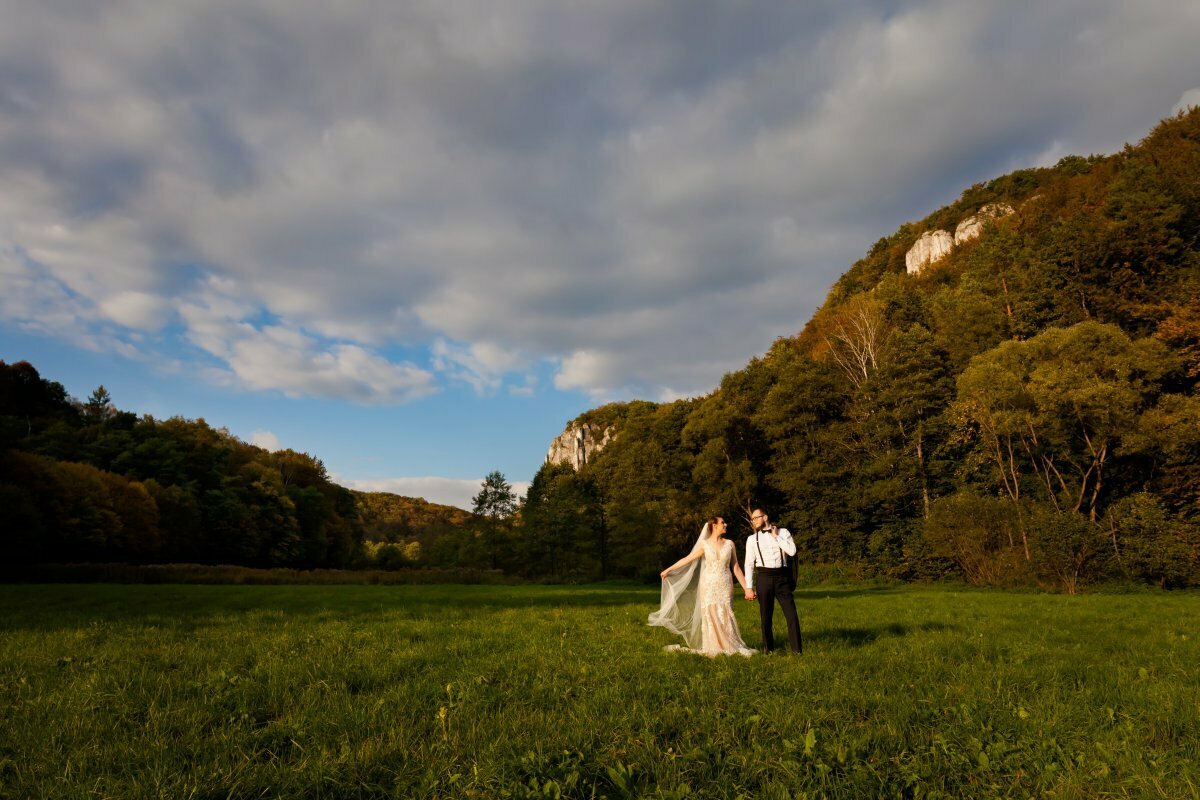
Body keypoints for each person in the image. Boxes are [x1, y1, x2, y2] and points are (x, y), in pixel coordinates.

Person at [648, 517, 755, 657]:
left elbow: (736, 568)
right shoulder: (705, 545)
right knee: (710, 613)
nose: (725, 524)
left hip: (724, 583)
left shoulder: (730, 544)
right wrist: (669, 570)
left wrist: (747, 588)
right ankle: (714, 646)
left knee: (725, 612)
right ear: (714, 526)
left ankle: (729, 644)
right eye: (722, 522)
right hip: (708, 584)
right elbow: (687, 559)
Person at [744, 508, 802, 654]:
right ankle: (768, 650)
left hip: (782, 578)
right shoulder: (752, 539)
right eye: (752, 519)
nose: (754, 521)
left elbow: (792, 551)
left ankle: (797, 650)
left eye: (756, 518)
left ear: (765, 517)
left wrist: (776, 537)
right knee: (766, 616)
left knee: (791, 614)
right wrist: (749, 587)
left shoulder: (784, 533)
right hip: (763, 577)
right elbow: (749, 564)